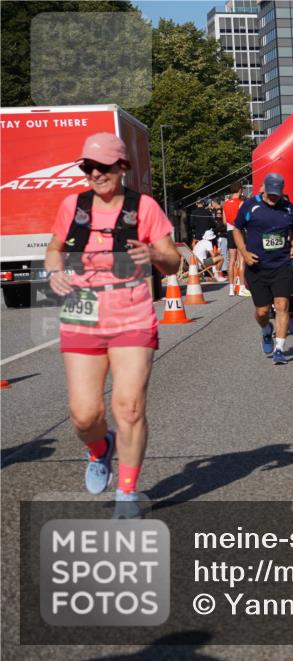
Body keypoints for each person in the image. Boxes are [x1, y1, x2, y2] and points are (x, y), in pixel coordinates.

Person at [44, 132, 181, 518]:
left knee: (130, 407)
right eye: (87, 167)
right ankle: (100, 448)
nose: (94, 174)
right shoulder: (73, 205)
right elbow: (55, 250)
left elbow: (174, 263)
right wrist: (53, 272)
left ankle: (127, 492)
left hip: (131, 311)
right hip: (82, 311)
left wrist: (154, 253)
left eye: (102, 167)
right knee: (84, 415)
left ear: (122, 167)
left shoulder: (146, 207)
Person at [232, 173, 293, 365]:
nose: (274, 198)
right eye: (271, 194)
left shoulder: (288, 208)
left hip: (282, 264)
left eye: (277, 194)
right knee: (262, 312)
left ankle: (280, 348)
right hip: (257, 266)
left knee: (282, 305)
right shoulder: (250, 206)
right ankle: (266, 330)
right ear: (263, 189)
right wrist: (244, 252)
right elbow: (237, 228)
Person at [223, 182, 249, 297]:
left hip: (229, 231)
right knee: (241, 259)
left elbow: (224, 221)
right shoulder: (241, 203)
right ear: (239, 190)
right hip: (238, 231)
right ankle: (242, 287)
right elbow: (244, 219)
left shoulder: (226, 203)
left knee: (231, 260)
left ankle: (231, 288)